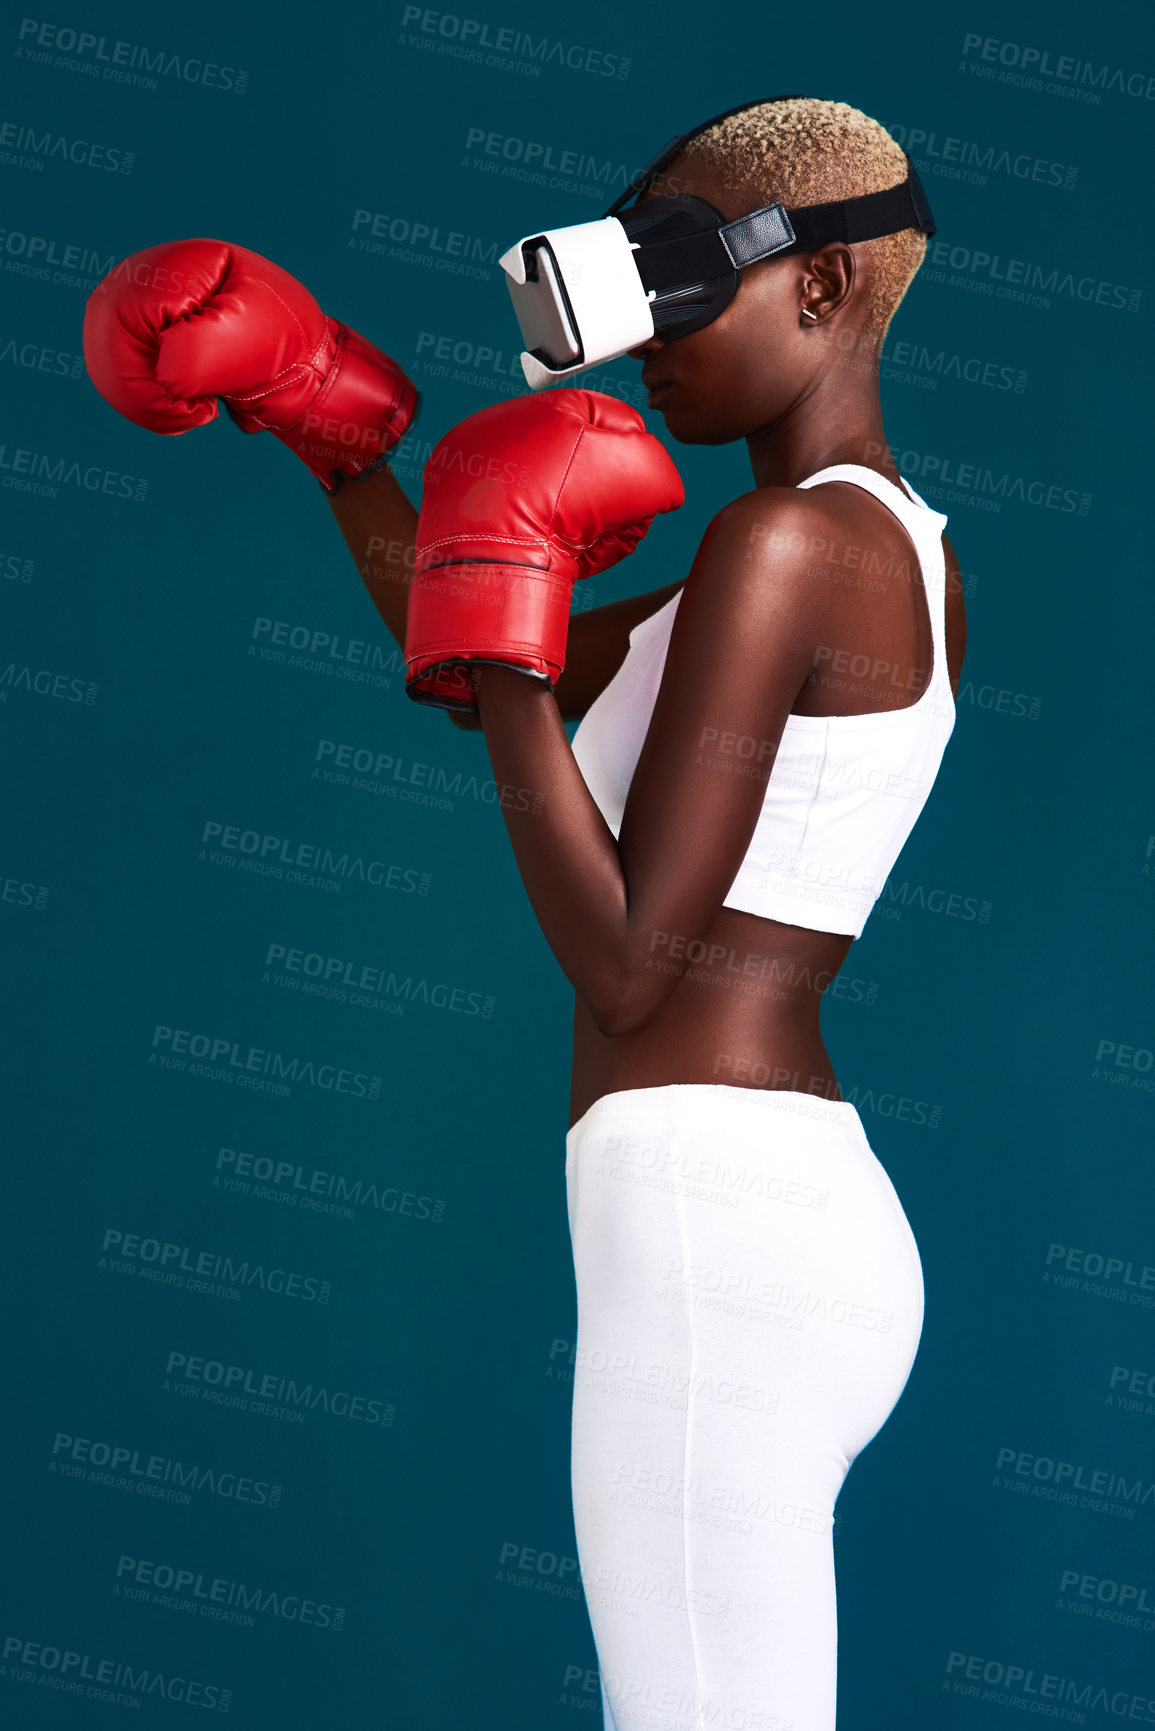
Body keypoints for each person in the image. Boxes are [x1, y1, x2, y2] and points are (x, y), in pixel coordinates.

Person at [84, 94, 965, 1731]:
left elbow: (633, 958)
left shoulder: (782, 546)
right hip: (787, 1212)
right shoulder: (881, 553)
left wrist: (502, 635)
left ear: (826, 289)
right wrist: (324, 434)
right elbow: (482, 656)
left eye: (684, 276)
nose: (648, 331)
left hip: (715, 1228)